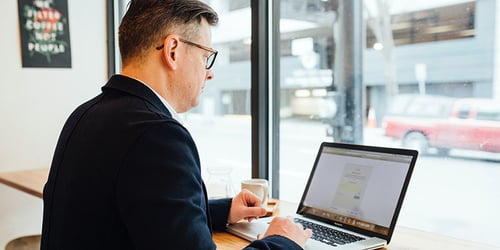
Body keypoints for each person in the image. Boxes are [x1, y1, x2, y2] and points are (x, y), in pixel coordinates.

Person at [40, 0, 312, 249]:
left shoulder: (86, 114)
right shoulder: (156, 135)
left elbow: (137, 208)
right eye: (206, 57)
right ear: (172, 50)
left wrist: (222, 210)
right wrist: (282, 241)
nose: (210, 72)